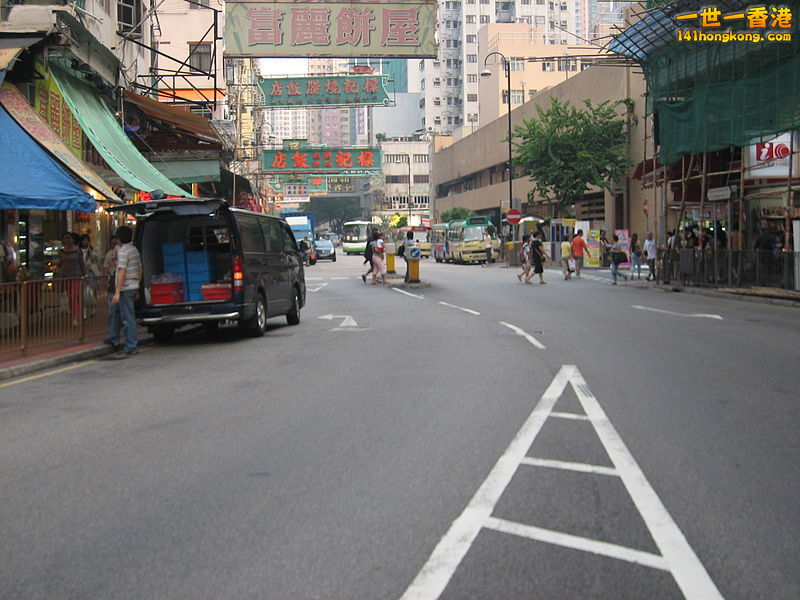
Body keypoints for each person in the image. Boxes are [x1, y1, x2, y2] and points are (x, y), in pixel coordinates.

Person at [109, 226, 142, 357]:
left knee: (127, 317)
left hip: (125, 288)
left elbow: (122, 272)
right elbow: (140, 269)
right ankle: (114, 339)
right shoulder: (134, 250)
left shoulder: (123, 252)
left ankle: (131, 345)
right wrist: (137, 286)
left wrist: (117, 292)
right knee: (115, 312)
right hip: (132, 286)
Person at [57, 232, 85, 326]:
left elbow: (82, 264)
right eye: (65, 238)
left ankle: (75, 317)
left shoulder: (77, 251)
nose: (68, 240)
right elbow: (60, 263)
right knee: (70, 297)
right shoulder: (62, 252)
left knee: (74, 296)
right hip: (67, 276)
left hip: (77, 276)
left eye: (69, 238)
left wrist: (85, 275)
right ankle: (75, 314)